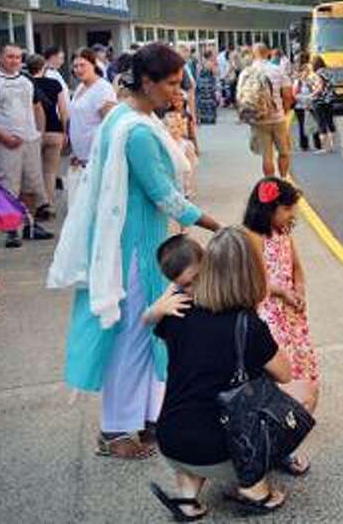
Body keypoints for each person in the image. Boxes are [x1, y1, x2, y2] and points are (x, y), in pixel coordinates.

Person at [48, 42, 222, 460]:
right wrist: (219, 227)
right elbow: (167, 197)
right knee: (133, 338)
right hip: (135, 250)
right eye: (172, 83)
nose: (178, 92)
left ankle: (143, 420)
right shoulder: (138, 131)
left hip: (135, 243)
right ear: (147, 82)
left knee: (148, 337)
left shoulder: (128, 117)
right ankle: (114, 431)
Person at [150, 226, 313, 518]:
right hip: (216, 450)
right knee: (305, 391)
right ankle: (253, 487)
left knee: (197, 399)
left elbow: (160, 328)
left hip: (170, 440)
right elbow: (286, 374)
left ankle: (187, 497)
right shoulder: (248, 324)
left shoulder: (178, 310)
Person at [244, 177, 319, 474]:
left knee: (304, 373)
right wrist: (283, 292)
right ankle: (277, 447)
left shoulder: (284, 232)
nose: (292, 215)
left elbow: (296, 268)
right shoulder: (253, 236)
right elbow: (258, 280)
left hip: (291, 315)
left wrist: (299, 289)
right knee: (280, 379)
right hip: (270, 315)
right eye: (288, 209)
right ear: (270, 208)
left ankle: (285, 439)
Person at [0, 43, 52, 248]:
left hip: (30, 141)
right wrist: (2, 136)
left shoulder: (26, 80)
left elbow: (37, 106)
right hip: (4, 144)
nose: (14, 60)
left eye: (18, 57)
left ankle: (30, 226)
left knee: (32, 186)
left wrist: (39, 135)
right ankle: (11, 231)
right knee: (8, 187)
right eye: (10, 57)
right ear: (0, 58)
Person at [68, 48, 117, 207]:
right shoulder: (81, 88)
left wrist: (101, 156)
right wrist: (75, 151)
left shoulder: (102, 88)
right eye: (75, 66)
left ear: (93, 64)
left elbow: (110, 124)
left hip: (97, 158)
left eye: (83, 65)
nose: (78, 70)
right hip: (82, 158)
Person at [238, 43, 294, 178]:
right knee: (284, 152)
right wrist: (285, 111)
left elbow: (240, 97)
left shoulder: (246, 72)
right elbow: (288, 95)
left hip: (259, 119)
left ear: (253, 54)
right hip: (278, 117)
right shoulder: (277, 70)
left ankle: (269, 183)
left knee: (266, 156)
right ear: (268, 53)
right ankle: (283, 180)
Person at [28, 53, 68, 222]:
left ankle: (37, 206)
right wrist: (66, 131)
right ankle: (49, 206)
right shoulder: (54, 83)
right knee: (50, 172)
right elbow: (63, 109)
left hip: (34, 132)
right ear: (43, 67)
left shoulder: (26, 84)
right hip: (54, 130)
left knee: (34, 171)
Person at [141, 235, 201, 328]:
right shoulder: (175, 292)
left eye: (198, 276)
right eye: (187, 285)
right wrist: (161, 309)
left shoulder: (217, 271)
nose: (197, 285)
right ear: (177, 284)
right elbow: (145, 319)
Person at [163, 110, 198, 221]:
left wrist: (188, 182)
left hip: (181, 181)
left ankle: (182, 230)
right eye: (172, 127)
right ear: (165, 128)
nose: (175, 130)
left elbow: (191, 166)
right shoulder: (163, 144)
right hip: (168, 180)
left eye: (178, 126)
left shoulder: (187, 145)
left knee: (182, 210)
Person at [309, 55, 337, 153]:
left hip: (319, 101)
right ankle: (333, 146)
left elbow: (320, 87)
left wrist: (311, 95)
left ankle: (325, 148)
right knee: (330, 123)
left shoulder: (317, 74)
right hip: (329, 100)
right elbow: (333, 85)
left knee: (321, 124)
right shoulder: (329, 72)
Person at [292, 64, 321, 152]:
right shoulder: (297, 82)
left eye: (308, 72)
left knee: (315, 125)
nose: (306, 73)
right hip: (300, 107)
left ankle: (318, 144)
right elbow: (294, 94)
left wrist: (310, 99)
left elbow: (317, 91)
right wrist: (306, 99)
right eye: (305, 71)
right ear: (301, 72)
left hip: (311, 106)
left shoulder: (311, 81)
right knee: (302, 126)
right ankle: (304, 145)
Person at [195, 50, 219, 125]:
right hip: (209, 84)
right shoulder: (211, 64)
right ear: (210, 56)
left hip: (201, 84)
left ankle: (202, 118)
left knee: (202, 101)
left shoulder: (200, 64)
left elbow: (197, 74)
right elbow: (216, 73)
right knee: (210, 101)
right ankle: (210, 118)